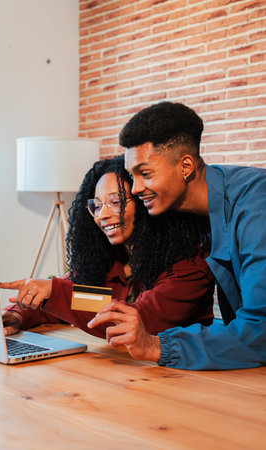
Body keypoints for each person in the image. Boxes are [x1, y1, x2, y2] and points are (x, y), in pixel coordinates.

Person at [88, 101, 266, 370]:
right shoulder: (176, 218)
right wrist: (34, 305)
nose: (134, 190)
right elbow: (94, 292)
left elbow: (260, 330)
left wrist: (55, 294)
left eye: (145, 174)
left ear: (185, 166)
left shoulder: (252, 210)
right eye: (96, 205)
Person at [0, 155, 214, 339]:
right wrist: (17, 314)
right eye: (97, 205)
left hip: (183, 376)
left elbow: (138, 319)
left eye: (116, 202)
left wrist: (54, 292)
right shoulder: (109, 260)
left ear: (143, 201)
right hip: (123, 370)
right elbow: (86, 300)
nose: (103, 215)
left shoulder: (190, 262)